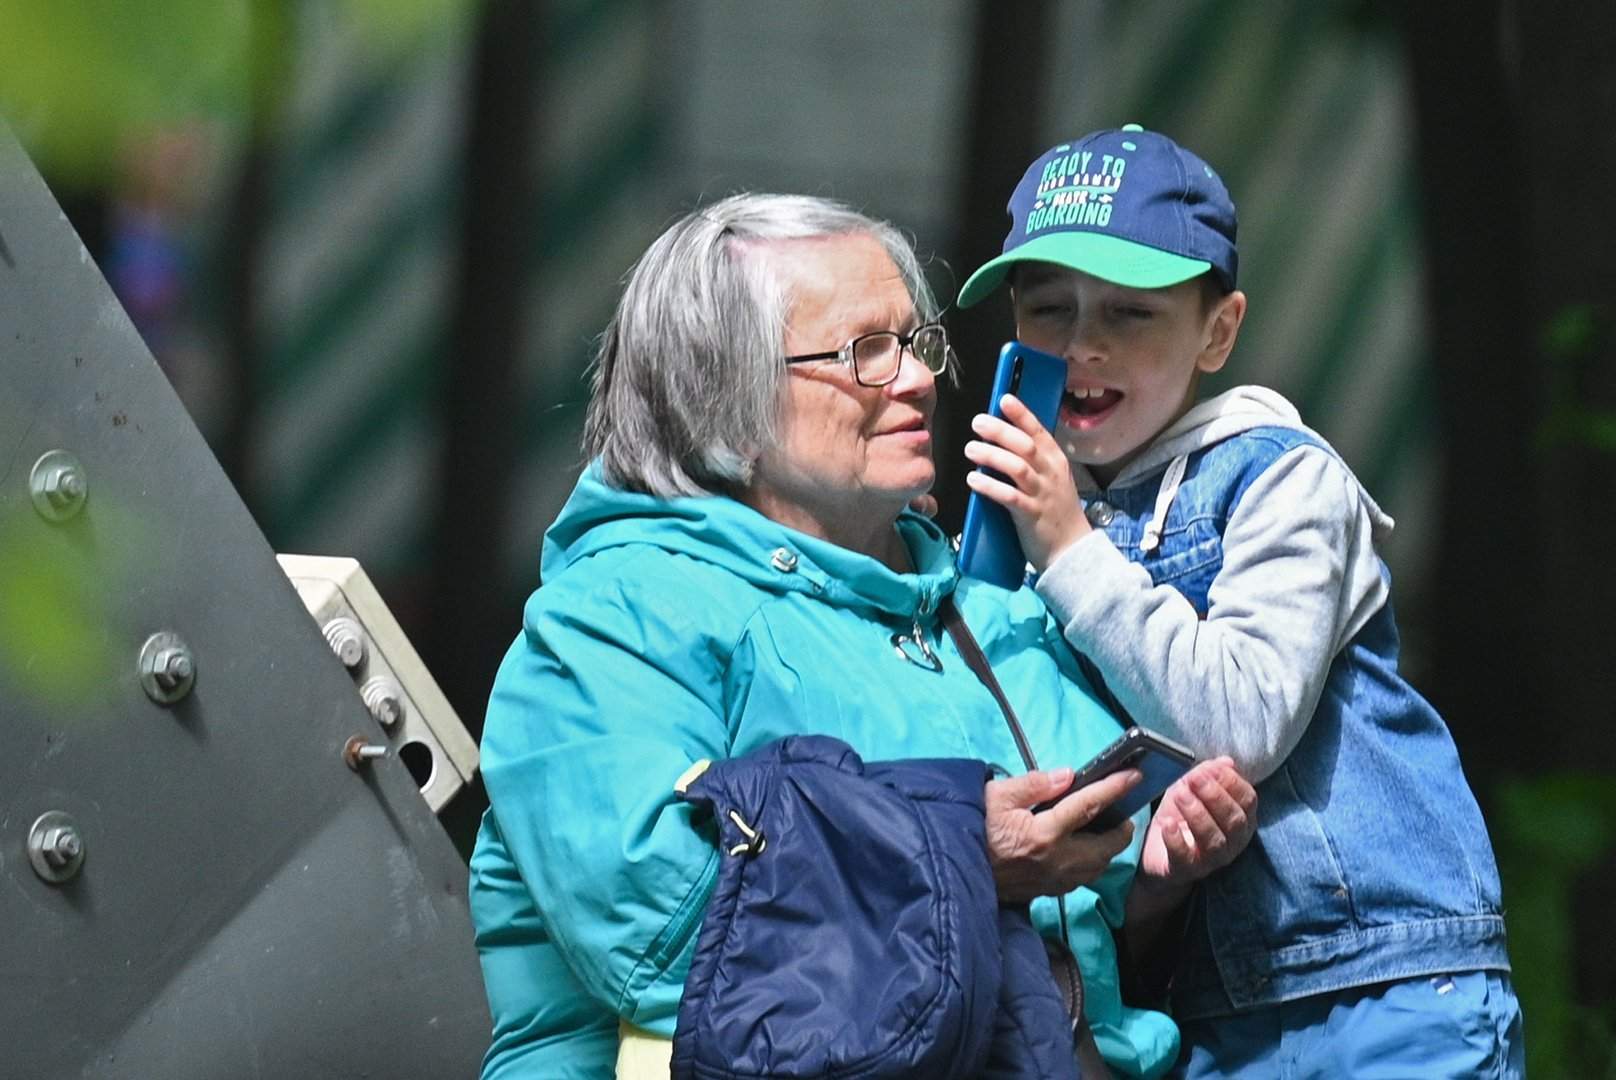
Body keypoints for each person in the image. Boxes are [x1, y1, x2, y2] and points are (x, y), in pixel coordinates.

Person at [466, 192, 1255, 1079]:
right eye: (865, 353)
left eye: (917, 344)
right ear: (720, 389)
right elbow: (664, 927)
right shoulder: (611, 621)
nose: (919, 378)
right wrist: (965, 855)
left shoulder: (997, 612)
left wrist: (1163, 872)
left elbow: (1091, 943)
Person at [955, 125, 1525, 1076]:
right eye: (1048, 309)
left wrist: (1069, 548)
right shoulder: (1037, 526)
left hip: (1379, 977)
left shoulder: (1281, 481)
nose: (1084, 346)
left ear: (1218, 331)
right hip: (1206, 1012)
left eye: (1131, 314)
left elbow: (1243, 717)